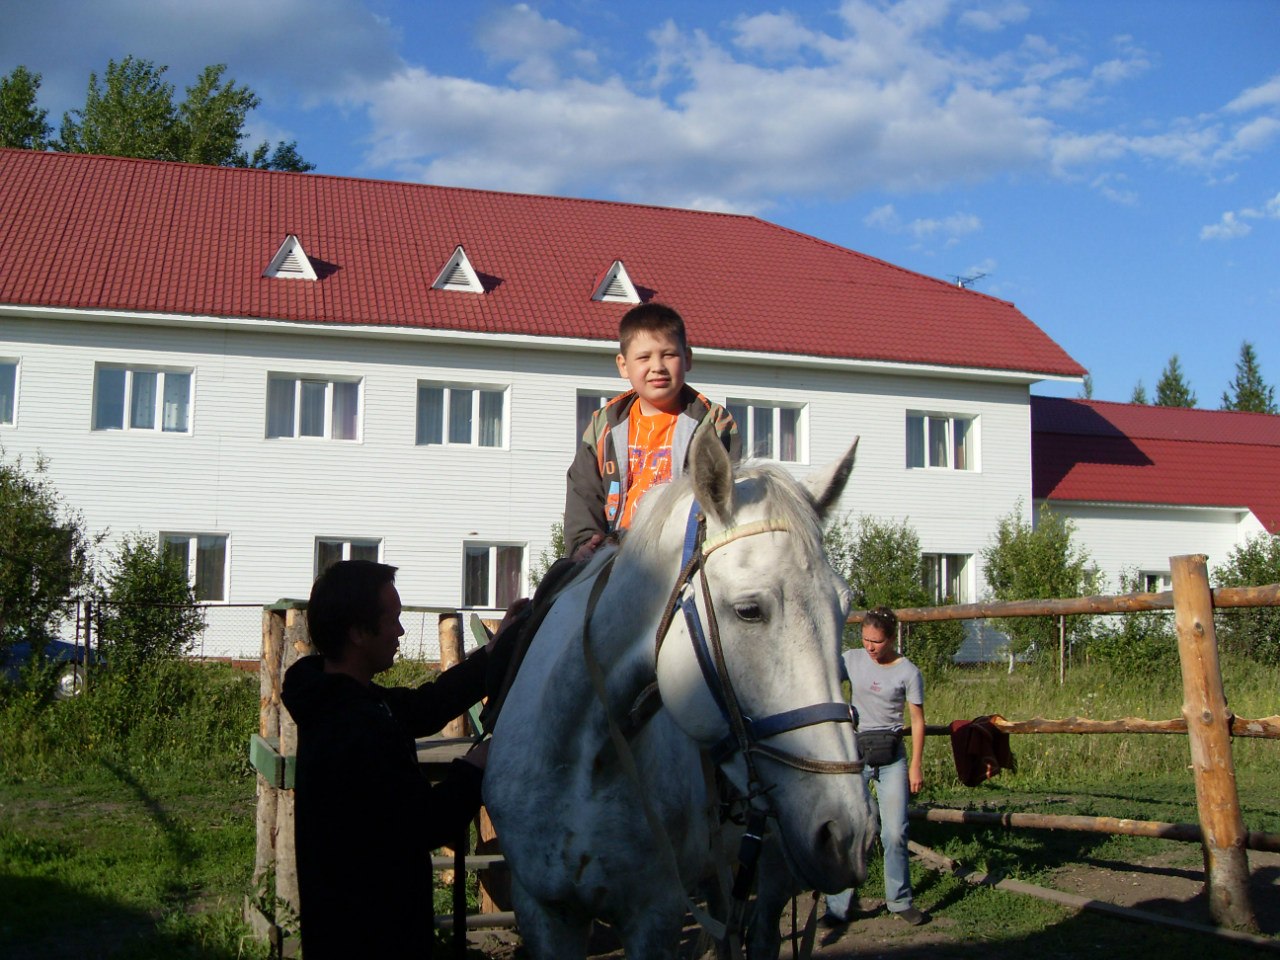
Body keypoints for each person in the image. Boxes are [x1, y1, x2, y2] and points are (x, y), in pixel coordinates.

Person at [281, 560, 520, 959]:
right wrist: (474, 767)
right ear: (358, 632)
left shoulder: (343, 699)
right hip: (370, 938)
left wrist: (494, 651)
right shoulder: (350, 728)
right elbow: (426, 823)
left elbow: (426, 706)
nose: (401, 631)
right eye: (392, 619)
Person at [563, 301, 739, 561]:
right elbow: (584, 490)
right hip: (612, 553)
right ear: (623, 365)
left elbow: (725, 495)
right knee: (555, 581)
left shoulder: (713, 424)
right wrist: (584, 541)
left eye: (669, 355)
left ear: (687, 359)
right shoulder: (604, 425)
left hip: (684, 553)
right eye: (644, 357)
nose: (658, 366)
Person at [824, 607, 928, 926]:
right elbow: (822, 675)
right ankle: (838, 906)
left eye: (877, 641)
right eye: (866, 639)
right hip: (856, 753)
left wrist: (916, 766)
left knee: (895, 832)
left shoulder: (908, 672)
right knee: (847, 827)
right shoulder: (851, 660)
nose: (870, 647)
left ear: (892, 638)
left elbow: (917, 720)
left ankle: (899, 901)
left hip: (892, 756)